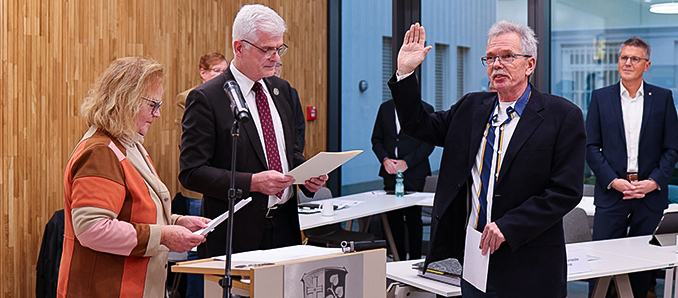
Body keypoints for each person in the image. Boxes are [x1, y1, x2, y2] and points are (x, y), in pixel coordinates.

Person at [389, 21, 586, 297]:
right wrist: (405, 73)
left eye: (507, 56)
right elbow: (417, 125)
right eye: (490, 58)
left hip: (530, 263)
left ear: (529, 65)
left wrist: (509, 225)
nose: (497, 64)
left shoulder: (562, 116)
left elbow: (565, 191)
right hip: (474, 258)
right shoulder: (471, 108)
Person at [179, 4, 328, 258]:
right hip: (237, 233)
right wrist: (252, 183)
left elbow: (287, 150)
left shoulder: (282, 90)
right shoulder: (207, 97)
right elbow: (192, 172)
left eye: (279, 48)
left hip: (286, 227)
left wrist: (307, 177)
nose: (277, 58)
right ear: (239, 47)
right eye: (267, 50)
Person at [57, 57, 209, 298]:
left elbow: (135, 210)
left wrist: (176, 221)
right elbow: (92, 229)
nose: (157, 114)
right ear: (126, 101)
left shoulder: (129, 144)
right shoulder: (101, 151)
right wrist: (164, 236)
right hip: (107, 288)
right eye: (152, 105)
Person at [586, 36, 678, 298]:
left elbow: (672, 148)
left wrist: (654, 182)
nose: (627, 63)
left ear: (646, 65)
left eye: (634, 58)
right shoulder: (601, 98)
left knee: (642, 268)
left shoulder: (662, 98)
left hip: (649, 195)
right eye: (623, 57)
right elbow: (591, 147)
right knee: (600, 262)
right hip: (612, 192)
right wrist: (613, 181)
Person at [174, 52, 227, 298]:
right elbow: (189, 146)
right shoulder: (189, 98)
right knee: (198, 247)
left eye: (224, 71)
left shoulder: (232, 97)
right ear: (202, 72)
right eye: (216, 71)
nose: (221, 76)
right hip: (201, 185)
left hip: (227, 183)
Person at [371, 99, 434, 260]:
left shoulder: (425, 109)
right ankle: (397, 257)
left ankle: (414, 260)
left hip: (415, 172)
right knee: (394, 218)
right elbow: (376, 139)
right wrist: (385, 159)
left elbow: (429, 143)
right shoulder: (385, 108)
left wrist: (407, 162)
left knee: (413, 218)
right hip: (390, 171)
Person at [273, 59, 306, 153]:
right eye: (271, 65)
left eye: (277, 66)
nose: (274, 70)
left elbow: (299, 127)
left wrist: (295, 156)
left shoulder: (290, 92)